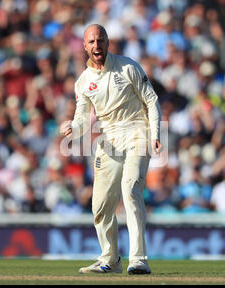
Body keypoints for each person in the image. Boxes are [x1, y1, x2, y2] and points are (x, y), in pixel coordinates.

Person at [60, 24, 161, 275]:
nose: (97, 46)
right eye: (92, 42)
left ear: (108, 41)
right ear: (85, 46)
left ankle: (138, 260)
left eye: (101, 40)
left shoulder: (128, 67)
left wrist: (156, 134)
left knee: (130, 191)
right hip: (108, 139)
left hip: (137, 131)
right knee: (101, 205)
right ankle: (111, 259)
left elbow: (152, 100)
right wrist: (74, 126)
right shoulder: (83, 82)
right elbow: (83, 118)